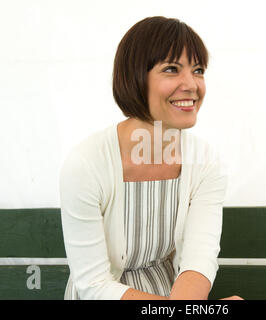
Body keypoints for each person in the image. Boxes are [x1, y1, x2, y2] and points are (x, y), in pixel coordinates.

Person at [59, 16, 242, 300]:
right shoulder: (86, 164)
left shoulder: (206, 162)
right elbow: (94, 285)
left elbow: (198, 262)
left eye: (198, 70)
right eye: (171, 69)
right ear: (135, 77)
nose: (191, 84)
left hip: (170, 295)